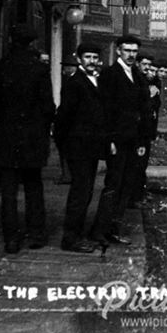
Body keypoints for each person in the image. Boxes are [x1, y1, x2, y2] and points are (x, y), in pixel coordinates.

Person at [0, 24, 55, 253]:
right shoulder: (39, 69)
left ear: (10, 41)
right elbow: (48, 107)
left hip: (5, 138)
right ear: (31, 43)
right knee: (33, 187)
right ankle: (36, 234)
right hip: (32, 139)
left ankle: (11, 239)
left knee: (8, 190)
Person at [90, 34, 148, 247]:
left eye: (134, 51)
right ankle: (99, 231)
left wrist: (142, 141)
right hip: (117, 140)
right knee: (113, 185)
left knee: (126, 185)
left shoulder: (137, 75)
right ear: (118, 51)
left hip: (133, 140)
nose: (131, 55)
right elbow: (105, 111)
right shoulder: (109, 75)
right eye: (127, 50)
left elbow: (143, 109)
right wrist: (110, 140)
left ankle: (114, 228)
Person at [53, 42, 105, 253]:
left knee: (85, 192)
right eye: (87, 57)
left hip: (89, 146)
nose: (91, 61)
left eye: (94, 57)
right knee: (80, 193)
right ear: (79, 59)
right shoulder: (76, 83)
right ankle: (71, 238)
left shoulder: (94, 80)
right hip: (78, 146)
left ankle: (78, 234)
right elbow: (64, 117)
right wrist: (64, 145)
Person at [130, 53, 161, 208]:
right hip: (138, 132)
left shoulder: (146, 81)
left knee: (141, 165)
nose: (149, 70)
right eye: (145, 65)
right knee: (137, 165)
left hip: (145, 132)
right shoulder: (137, 80)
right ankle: (135, 197)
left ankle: (139, 194)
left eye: (151, 67)